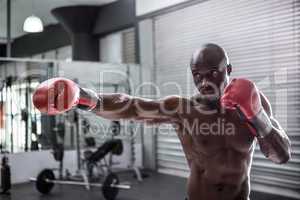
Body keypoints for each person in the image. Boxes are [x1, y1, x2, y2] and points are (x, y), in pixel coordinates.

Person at [32, 43, 291, 200]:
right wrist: (84, 98)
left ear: (228, 70)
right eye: (197, 75)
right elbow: (131, 106)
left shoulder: (256, 102)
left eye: (213, 72)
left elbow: (282, 156)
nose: (204, 81)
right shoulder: (184, 109)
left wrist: (258, 117)